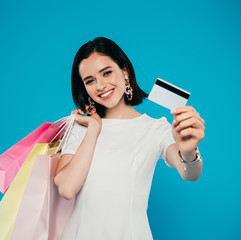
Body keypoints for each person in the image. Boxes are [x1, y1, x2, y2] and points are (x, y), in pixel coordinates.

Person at [54, 37, 205, 240]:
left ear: (124, 72)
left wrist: (188, 150)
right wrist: (93, 129)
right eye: (90, 81)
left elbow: (190, 174)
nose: (100, 86)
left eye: (106, 73)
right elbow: (66, 188)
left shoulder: (155, 128)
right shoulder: (81, 126)